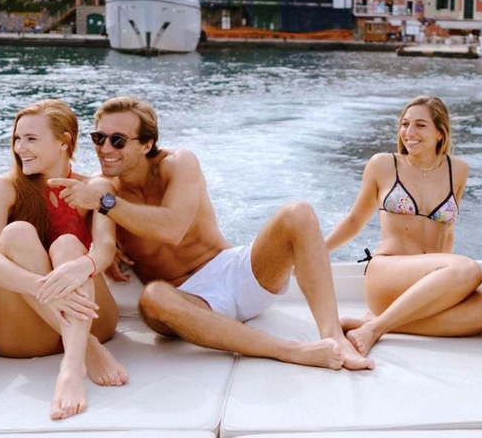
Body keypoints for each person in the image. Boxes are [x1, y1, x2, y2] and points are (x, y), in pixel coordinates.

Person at [50, 96, 373, 371]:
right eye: (98, 138)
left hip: (236, 274)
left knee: (298, 212)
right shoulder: (100, 188)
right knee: (153, 297)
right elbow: (60, 194)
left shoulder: (177, 164)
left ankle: (333, 335)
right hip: (186, 302)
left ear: (147, 144)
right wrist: (101, 245)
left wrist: (106, 205)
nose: (105, 148)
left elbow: (173, 228)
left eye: (117, 140)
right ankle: (290, 350)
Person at [0, 99, 128, 421]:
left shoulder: (96, 188)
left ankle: (71, 369)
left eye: (31, 139)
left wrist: (80, 266)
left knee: (69, 245)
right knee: (16, 233)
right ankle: (85, 347)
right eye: (17, 138)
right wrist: (44, 287)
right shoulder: (4, 188)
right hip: (26, 335)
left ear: (64, 141)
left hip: (93, 318)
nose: (20, 148)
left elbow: (104, 248)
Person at [325, 96, 482, 357]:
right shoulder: (383, 164)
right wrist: (317, 252)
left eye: (420, 125)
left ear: (440, 133)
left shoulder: (458, 170)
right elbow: (354, 221)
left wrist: (447, 284)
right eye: (405, 124)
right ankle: (374, 329)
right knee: (467, 269)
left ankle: (374, 321)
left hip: (426, 282)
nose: (409, 132)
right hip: (388, 272)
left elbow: (448, 231)